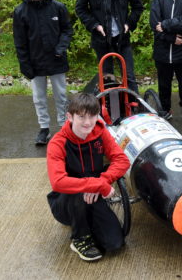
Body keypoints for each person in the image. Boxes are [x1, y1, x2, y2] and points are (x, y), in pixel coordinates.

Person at [46, 93, 130, 261]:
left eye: (92, 116)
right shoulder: (57, 142)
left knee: (115, 243)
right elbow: (58, 182)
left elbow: (122, 160)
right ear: (70, 117)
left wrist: (103, 181)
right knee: (75, 190)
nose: (87, 122)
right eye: (81, 117)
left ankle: (91, 226)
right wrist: (96, 185)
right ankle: (79, 238)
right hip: (66, 201)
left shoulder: (100, 132)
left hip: (93, 195)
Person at [13, 0, 73, 145]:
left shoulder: (58, 8)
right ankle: (44, 128)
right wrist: (24, 64)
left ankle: (64, 126)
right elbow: (20, 41)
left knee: (61, 95)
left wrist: (61, 48)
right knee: (39, 97)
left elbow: (67, 30)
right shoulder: (20, 12)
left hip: (57, 60)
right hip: (35, 62)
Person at [76, 0, 144, 94]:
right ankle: (112, 111)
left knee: (129, 76)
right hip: (101, 39)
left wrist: (128, 24)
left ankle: (135, 109)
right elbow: (80, 9)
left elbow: (138, 7)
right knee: (107, 77)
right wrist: (94, 25)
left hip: (122, 38)